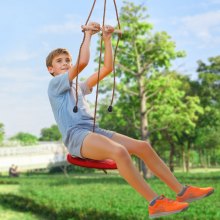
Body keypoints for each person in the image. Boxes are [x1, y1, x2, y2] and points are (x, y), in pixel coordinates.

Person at [46, 22, 214, 218]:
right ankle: (155, 203)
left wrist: (107, 40)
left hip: (93, 131)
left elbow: (107, 68)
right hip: (77, 136)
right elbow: (82, 63)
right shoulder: (55, 85)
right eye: (60, 61)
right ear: (51, 69)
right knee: (119, 151)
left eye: (67, 59)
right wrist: (88, 35)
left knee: (143, 147)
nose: (65, 63)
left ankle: (183, 191)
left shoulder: (79, 87)